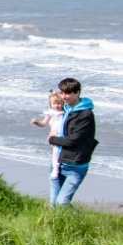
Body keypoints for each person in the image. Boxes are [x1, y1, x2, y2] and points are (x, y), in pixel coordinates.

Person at [45, 78, 97, 206]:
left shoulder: (85, 115)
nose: (64, 96)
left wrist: (52, 139)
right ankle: (55, 225)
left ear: (77, 92)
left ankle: (80, 224)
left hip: (75, 165)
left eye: (68, 93)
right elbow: (52, 112)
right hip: (58, 162)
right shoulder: (65, 109)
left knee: (62, 203)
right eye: (62, 93)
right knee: (53, 204)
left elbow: (73, 141)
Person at [30, 90, 68, 180]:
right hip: (55, 136)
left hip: (64, 135)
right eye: (55, 103)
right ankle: (55, 169)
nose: (58, 106)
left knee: (63, 152)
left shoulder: (66, 112)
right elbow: (43, 124)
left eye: (60, 103)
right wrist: (36, 122)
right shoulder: (51, 113)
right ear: (50, 104)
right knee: (55, 153)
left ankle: (63, 165)